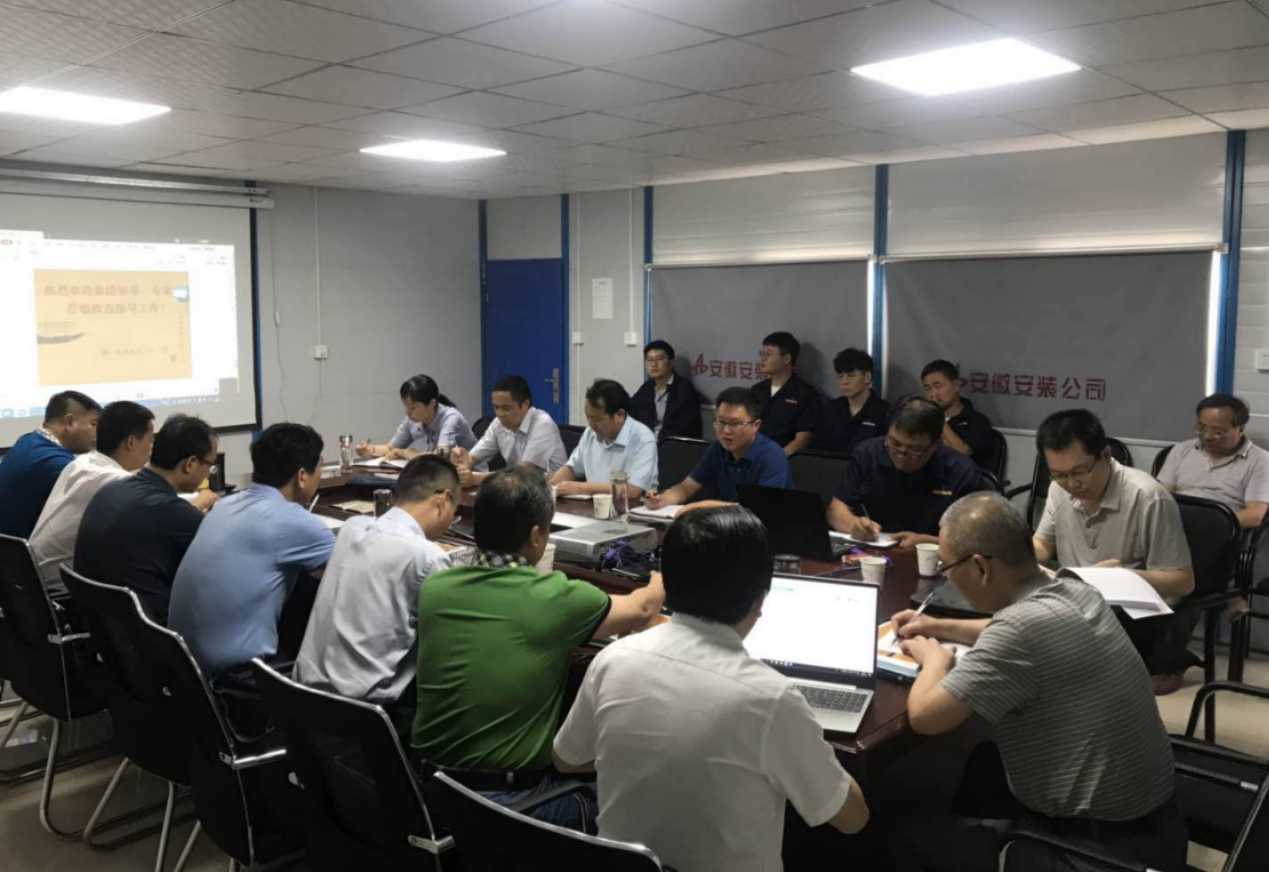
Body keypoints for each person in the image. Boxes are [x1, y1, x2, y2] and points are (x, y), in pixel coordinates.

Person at [553, 506, 869, 872]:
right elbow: (853, 819)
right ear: (760, 601)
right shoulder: (771, 699)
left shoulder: (613, 659)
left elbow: (567, 759)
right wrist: (808, 753)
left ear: (666, 584)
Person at [889, 492, 1184, 872]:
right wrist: (937, 626)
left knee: (904, 841)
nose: (948, 577)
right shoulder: (1074, 589)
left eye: (948, 567)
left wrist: (935, 660)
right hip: (1157, 820)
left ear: (980, 567)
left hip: (1100, 850)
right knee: (977, 764)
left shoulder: (1019, 630)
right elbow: (1010, 629)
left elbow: (925, 718)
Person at [411, 465, 665, 829]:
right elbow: (642, 609)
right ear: (535, 536)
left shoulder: (436, 588)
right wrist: (659, 579)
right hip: (508, 806)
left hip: (428, 792)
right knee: (632, 802)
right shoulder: (555, 598)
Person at [1033, 409, 1194, 695]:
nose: (1071, 484)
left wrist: (1123, 577)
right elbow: (1043, 545)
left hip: (1133, 614)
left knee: (1047, 651)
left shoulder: (1148, 497)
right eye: (1059, 475)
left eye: (1079, 472)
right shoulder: (1060, 489)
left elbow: (1182, 581)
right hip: (1075, 601)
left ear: (1105, 455)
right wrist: (1010, 555)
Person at [295, 456, 459, 731]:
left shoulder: (352, 528)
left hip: (302, 698)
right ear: (443, 500)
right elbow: (449, 638)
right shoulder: (427, 556)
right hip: (365, 717)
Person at [170, 423, 336, 676]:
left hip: (183, 664)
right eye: (319, 467)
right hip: (236, 674)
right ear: (302, 476)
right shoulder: (294, 521)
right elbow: (351, 574)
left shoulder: (225, 505)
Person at [74, 414, 219, 624]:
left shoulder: (111, 490)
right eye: (210, 465)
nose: (208, 473)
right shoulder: (175, 513)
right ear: (190, 464)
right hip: (154, 632)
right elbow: (222, 572)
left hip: (103, 626)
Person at [828, 398, 986, 548]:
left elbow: (977, 539)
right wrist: (854, 525)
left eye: (914, 449)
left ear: (935, 445)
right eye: (895, 443)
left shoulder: (962, 472)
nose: (901, 454)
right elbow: (836, 511)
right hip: (877, 549)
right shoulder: (868, 454)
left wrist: (930, 542)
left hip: (937, 556)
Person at [30, 401, 156, 585]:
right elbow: (163, 516)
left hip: (34, 580)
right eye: (150, 440)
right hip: (58, 590)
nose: (152, 448)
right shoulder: (116, 481)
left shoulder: (82, 463)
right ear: (130, 442)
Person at [644, 387, 792, 510]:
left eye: (735, 424)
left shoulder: (772, 456)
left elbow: (760, 509)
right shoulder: (718, 448)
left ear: (756, 425)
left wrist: (704, 506)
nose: (726, 431)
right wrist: (662, 500)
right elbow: (686, 488)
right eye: (721, 422)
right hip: (725, 526)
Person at [1157, 393, 1269, 529]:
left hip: (1220, 527)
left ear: (1240, 429)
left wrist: (1209, 525)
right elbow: (1161, 494)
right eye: (1202, 428)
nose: (1207, 436)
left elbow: (1254, 516)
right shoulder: (1182, 450)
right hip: (1176, 522)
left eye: (1218, 432)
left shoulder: (1260, 461)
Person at [0, 390, 101, 538]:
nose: (98, 432)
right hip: (22, 550)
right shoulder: (57, 464)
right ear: (70, 422)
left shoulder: (28, 440)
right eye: (93, 424)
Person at [550, 379, 657, 500]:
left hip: (631, 507)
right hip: (593, 506)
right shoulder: (590, 433)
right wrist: (553, 485)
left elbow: (633, 490)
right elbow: (572, 469)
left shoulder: (643, 439)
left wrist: (581, 488)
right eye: (588, 417)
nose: (591, 424)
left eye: (597, 419)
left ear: (619, 415)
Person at [451, 375, 566, 486]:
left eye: (506, 408)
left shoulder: (543, 424)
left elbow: (524, 474)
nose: (500, 414)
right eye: (496, 407)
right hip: (517, 488)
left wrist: (477, 479)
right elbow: (474, 457)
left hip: (552, 493)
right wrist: (464, 462)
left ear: (525, 404)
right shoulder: (498, 423)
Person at [356, 374, 476, 460]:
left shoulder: (451, 418)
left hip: (471, 476)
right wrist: (370, 450)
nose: (408, 413)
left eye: (413, 407)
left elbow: (440, 457)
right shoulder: (412, 419)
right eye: (406, 406)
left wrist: (407, 453)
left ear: (431, 404)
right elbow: (390, 448)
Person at [751, 331, 821, 456]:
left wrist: (775, 460)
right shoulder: (756, 390)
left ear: (786, 359)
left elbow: (802, 440)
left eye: (768, 354)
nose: (763, 358)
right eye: (762, 354)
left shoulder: (806, 395)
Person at [921, 360, 996, 468]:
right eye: (927, 388)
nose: (932, 394)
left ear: (956, 385)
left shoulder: (978, 421)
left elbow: (963, 454)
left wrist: (937, 416)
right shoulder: (922, 419)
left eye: (938, 386)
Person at [814, 348, 890, 454]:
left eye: (851, 376)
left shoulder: (885, 412)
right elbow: (817, 448)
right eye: (840, 377)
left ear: (867, 377)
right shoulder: (831, 408)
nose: (844, 382)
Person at [629, 340, 703, 441]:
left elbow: (683, 429)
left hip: (671, 445)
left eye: (659, 359)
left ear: (671, 362)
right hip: (647, 443)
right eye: (649, 360)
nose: (654, 364)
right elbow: (632, 413)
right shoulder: (647, 388)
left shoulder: (684, 389)